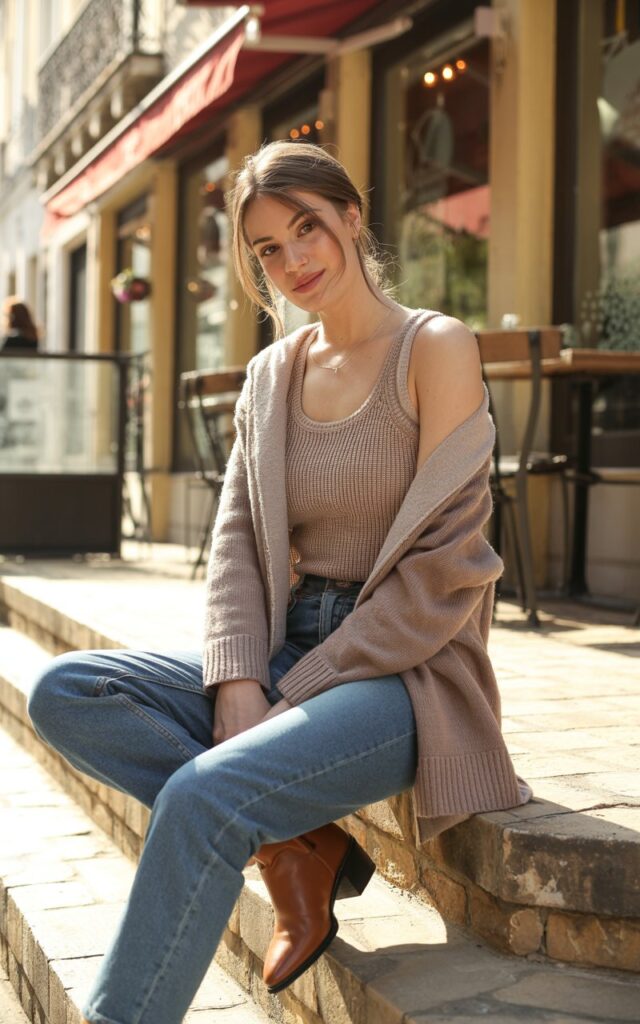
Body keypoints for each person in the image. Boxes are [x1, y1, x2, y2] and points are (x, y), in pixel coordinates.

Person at [27, 140, 533, 1024]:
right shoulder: (272, 374)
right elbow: (233, 548)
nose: (293, 259)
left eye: (307, 229)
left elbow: (444, 573)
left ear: (351, 218)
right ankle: (296, 842)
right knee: (68, 689)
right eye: (267, 247)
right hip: (290, 640)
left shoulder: (436, 349)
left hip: (406, 674)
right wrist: (235, 686)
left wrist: (286, 693)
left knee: (203, 795)